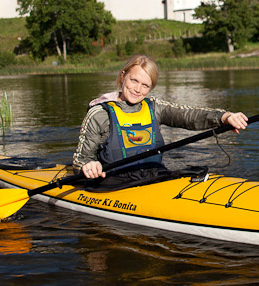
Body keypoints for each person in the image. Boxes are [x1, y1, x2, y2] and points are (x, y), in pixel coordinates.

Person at [73, 54, 248, 188]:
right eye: (134, 80)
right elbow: (81, 159)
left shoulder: (155, 107)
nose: (137, 89)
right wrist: (88, 166)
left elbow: (189, 116)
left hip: (154, 176)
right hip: (114, 184)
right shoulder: (99, 113)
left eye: (145, 85)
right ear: (122, 76)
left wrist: (224, 117)